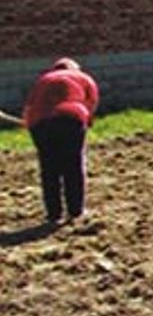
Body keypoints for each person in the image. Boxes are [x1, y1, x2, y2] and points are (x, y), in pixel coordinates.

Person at [22, 57, 100, 225]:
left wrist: (31, 124)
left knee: (49, 168)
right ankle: (75, 211)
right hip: (71, 118)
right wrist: (87, 122)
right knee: (73, 165)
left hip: (40, 123)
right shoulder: (84, 78)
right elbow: (90, 103)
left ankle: (53, 214)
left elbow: (30, 106)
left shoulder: (44, 79)